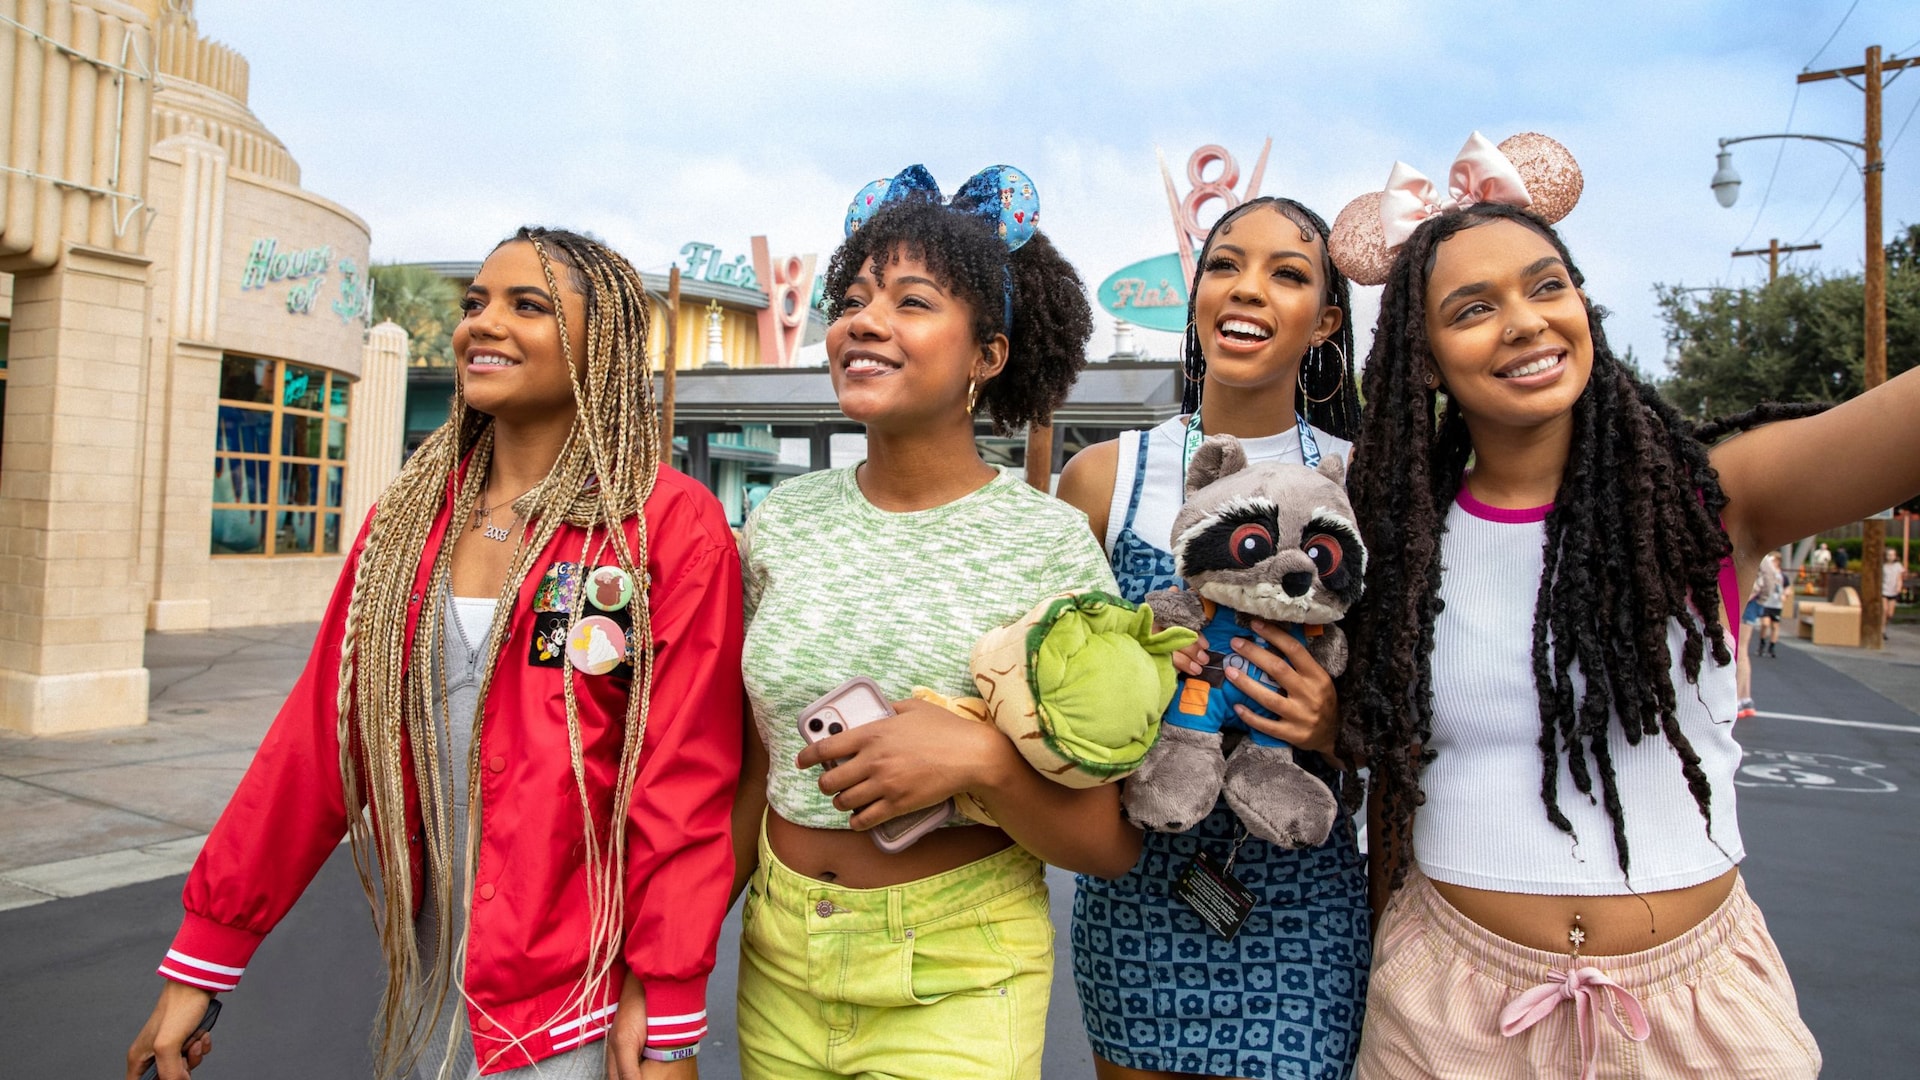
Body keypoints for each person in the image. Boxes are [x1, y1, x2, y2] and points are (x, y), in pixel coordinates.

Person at [1334, 131, 1920, 1078]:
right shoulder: (1393, 534)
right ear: (1424, 358)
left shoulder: (1710, 500)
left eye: (1547, 286)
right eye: (1474, 308)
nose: (1525, 322)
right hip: (1445, 1011)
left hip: (1699, 1011)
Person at [126, 228, 744, 1080]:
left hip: (578, 1019)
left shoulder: (666, 528)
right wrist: (205, 956)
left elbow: (685, 783)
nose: (482, 324)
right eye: (473, 304)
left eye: (526, 305)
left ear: (600, 346)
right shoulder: (406, 525)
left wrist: (670, 1007)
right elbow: (317, 746)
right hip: (428, 1004)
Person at [731, 164, 1140, 1080]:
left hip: (959, 970)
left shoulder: (1050, 545)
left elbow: (1109, 843)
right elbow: (753, 769)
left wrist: (981, 761)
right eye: (851, 299)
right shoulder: (781, 525)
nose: (863, 321)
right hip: (778, 960)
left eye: (911, 301)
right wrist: (671, 981)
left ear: (987, 355)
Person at [1055, 196, 1369, 1080]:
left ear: (1327, 321)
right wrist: (1135, 668)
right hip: (1137, 894)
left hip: (1302, 897)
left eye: (1289, 273)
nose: (1249, 289)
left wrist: (1333, 723)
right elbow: (1058, 660)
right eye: (1225, 264)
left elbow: (1408, 701)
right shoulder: (1106, 476)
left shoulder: (1359, 481)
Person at [1757, 551, 1786, 657]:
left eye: (1775, 561)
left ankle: (1772, 647)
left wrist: (1785, 594)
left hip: (1777, 604)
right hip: (1766, 603)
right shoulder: (1767, 572)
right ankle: (1762, 643)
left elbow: (1787, 587)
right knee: (1765, 624)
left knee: (1775, 626)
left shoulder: (1782, 575)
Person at [1886, 546, 1906, 627]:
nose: (1890, 557)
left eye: (1892, 555)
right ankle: (1882, 629)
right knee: (1884, 610)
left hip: (1893, 591)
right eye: (1889, 555)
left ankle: (1885, 624)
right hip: (1884, 591)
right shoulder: (1883, 566)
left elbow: (1899, 578)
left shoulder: (1898, 566)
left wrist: (1899, 586)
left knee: (1890, 613)